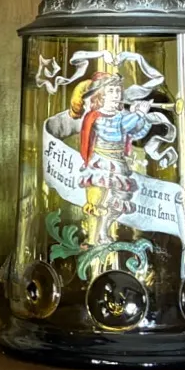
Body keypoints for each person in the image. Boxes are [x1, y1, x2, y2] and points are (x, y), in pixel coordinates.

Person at [71, 72, 153, 245]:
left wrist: (143, 117)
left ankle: (104, 230)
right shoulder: (96, 116)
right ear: (100, 94)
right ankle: (92, 239)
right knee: (98, 202)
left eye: (117, 90)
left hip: (119, 163)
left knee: (120, 200)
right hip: (102, 162)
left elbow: (136, 133)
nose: (116, 94)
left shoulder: (121, 114)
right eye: (111, 91)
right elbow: (117, 130)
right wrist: (137, 114)